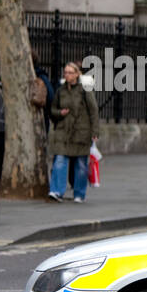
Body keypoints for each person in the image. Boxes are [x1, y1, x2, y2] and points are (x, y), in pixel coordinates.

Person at [48, 62, 99, 203]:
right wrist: (60, 112)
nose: (67, 75)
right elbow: (52, 110)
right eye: (65, 72)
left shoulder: (84, 90)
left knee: (81, 164)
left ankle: (79, 193)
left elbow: (93, 110)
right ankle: (56, 191)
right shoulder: (60, 91)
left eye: (70, 72)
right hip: (63, 132)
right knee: (59, 160)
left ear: (77, 74)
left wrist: (95, 131)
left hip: (81, 132)